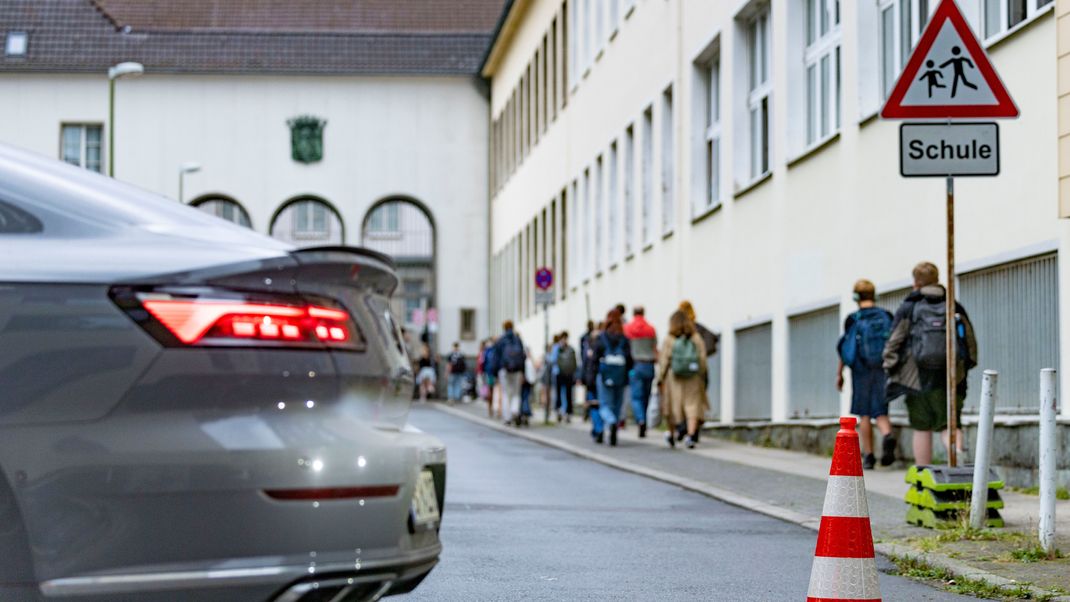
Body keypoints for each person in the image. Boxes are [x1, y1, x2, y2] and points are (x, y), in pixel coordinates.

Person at [883, 262, 978, 466]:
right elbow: (969, 342)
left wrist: (891, 368)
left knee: (921, 428)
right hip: (950, 379)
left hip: (917, 380)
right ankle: (959, 459)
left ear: (915, 282)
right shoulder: (953, 304)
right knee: (950, 425)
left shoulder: (909, 306)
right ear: (937, 279)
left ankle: (922, 475)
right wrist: (963, 370)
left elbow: (894, 341)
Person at [837, 280, 896, 469]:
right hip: (882, 368)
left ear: (856, 297)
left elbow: (845, 348)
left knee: (864, 413)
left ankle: (869, 456)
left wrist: (840, 374)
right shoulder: (886, 315)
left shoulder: (853, 319)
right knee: (880, 409)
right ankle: (887, 435)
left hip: (860, 370)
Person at [658, 311, 708, 449]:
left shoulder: (670, 338)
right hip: (693, 376)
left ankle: (672, 434)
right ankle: (691, 436)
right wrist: (702, 373)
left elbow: (664, 359)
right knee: (692, 405)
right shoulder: (695, 337)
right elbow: (702, 358)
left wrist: (660, 377)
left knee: (673, 406)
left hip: (674, 377)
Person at [586, 309, 633, 446]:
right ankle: (615, 427)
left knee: (604, 405)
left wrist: (591, 378)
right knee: (617, 406)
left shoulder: (602, 338)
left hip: (604, 375)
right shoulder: (624, 339)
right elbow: (630, 360)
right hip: (621, 377)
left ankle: (611, 422)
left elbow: (594, 360)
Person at [676, 301, 718, 443]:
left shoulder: (677, 331)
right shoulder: (699, 330)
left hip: (680, 373)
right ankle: (693, 433)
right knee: (695, 403)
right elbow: (711, 343)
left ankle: (683, 428)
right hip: (698, 373)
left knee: (682, 402)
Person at [623, 306, 657, 438]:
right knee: (646, 396)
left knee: (636, 396)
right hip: (649, 365)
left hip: (635, 366)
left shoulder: (628, 329)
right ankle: (644, 419)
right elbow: (654, 348)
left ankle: (641, 419)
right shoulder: (651, 329)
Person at [493, 320, 527, 427]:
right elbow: (523, 356)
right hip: (517, 370)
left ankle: (507, 417)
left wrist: (495, 373)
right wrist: (523, 372)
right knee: (516, 393)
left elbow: (496, 358)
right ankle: (515, 411)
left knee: (505, 393)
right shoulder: (518, 339)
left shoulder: (501, 341)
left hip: (504, 370)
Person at [553, 331, 578, 422]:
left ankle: (563, 411)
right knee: (565, 393)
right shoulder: (570, 349)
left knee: (564, 393)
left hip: (561, 373)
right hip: (565, 373)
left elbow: (553, 360)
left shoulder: (557, 348)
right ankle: (564, 411)